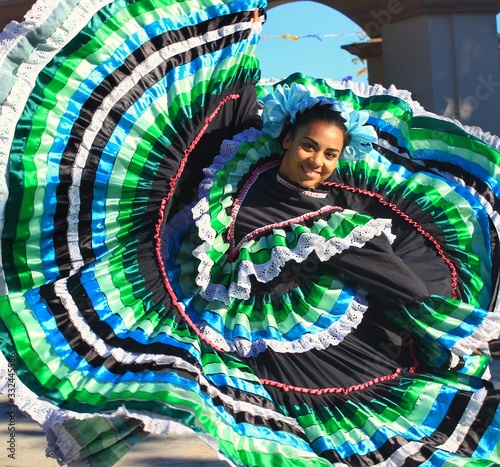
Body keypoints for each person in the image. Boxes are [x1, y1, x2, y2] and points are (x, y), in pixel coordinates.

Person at [1, 0, 499, 466]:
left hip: (316, 346)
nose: (317, 162)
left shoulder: (337, 208)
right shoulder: (235, 165)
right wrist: (240, 27)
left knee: (341, 436)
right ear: (286, 137)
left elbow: (380, 260)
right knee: (149, 379)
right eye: (309, 147)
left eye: (329, 155)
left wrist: (441, 318)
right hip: (231, 326)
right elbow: (217, 111)